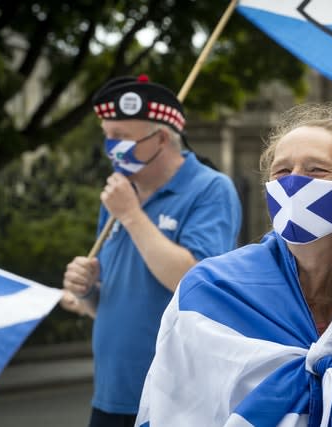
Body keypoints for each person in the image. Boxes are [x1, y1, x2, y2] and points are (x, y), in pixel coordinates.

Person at [135, 104, 332, 426]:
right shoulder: (211, 289)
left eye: (316, 170)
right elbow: (171, 405)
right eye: (282, 171)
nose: (294, 183)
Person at [60, 74, 242, 427]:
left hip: (175, 402)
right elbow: (111, 303)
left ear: (161, 138)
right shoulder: (118, 192)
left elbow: (193, 282)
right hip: (111, 395)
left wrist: (131, 214)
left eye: (121, 138)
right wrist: (86, 291)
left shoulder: (210, 189)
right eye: (107, 136)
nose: (111, 147)